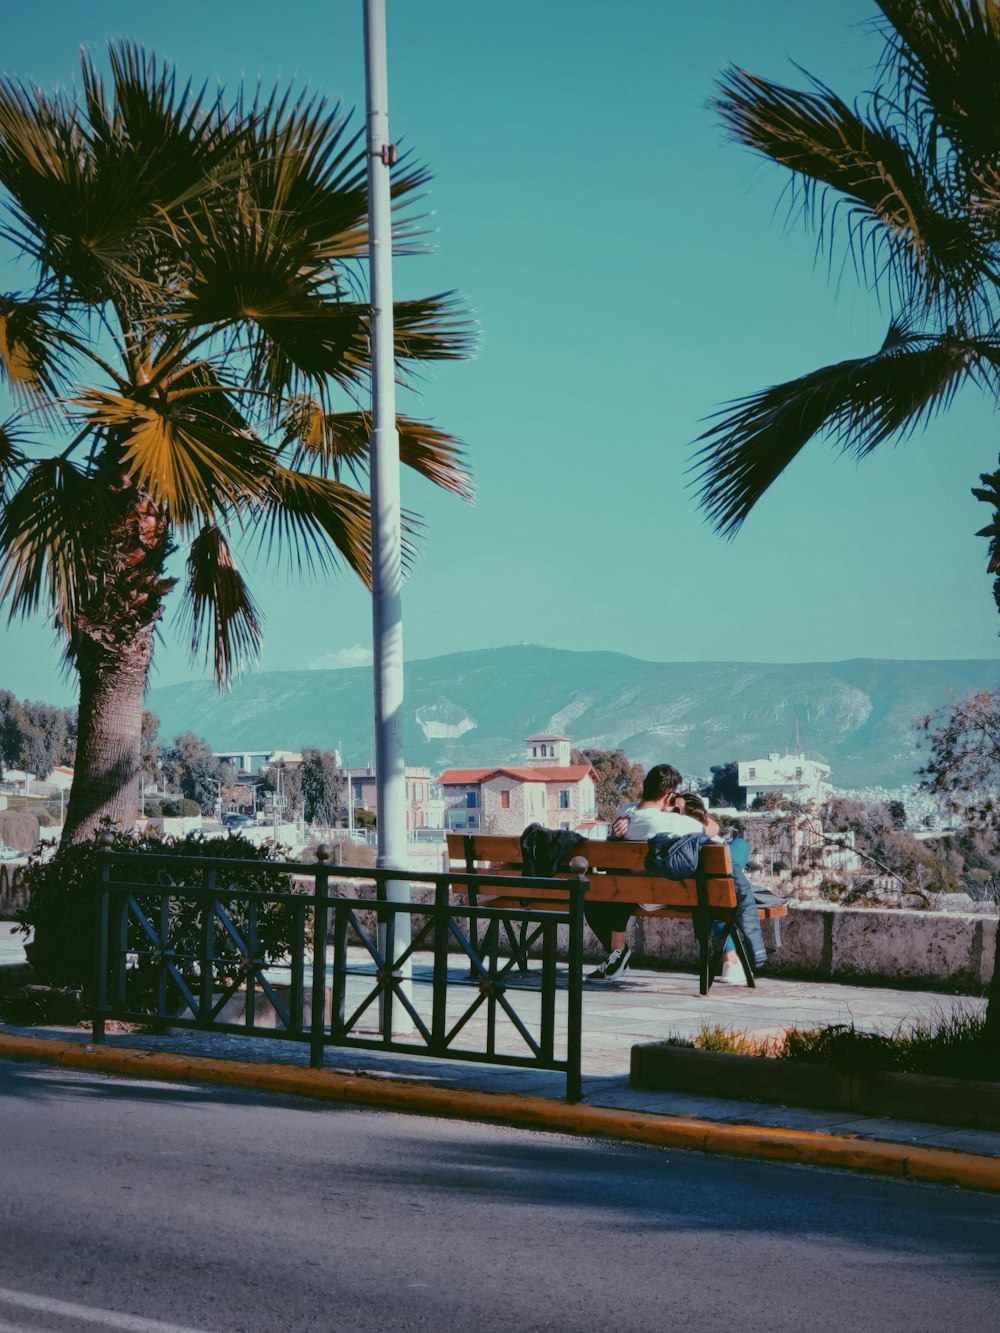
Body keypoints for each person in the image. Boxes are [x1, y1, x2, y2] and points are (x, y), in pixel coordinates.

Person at [586, 763, 684, 980]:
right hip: (664, 894)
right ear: (669, 797)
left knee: (600, 894)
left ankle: (618, 951)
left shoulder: (626, 814)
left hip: (627, 893)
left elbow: (633, 810)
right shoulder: (675, 821)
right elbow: (710, 831)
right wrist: (682, 809)